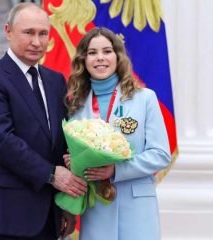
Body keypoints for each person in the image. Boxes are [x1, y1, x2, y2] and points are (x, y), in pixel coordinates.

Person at [0, 3, 87, 240]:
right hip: (5, 217)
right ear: (8, 31)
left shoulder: (55, 81)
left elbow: (60, 143)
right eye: (29, 32)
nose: (37, 41)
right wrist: (52, 175)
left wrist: (66, 205)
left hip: (48, 218)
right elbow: (0, 140)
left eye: (43, 33)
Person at [64, 27, 171, 240]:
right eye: (92, 53)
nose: (100, 58)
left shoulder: (144, 98)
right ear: (83, 60)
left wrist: (115, 170)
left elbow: (160, 154)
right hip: (96, 210)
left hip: (136, 209)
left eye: (107, 51)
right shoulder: (74, 104)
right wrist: (74, 162)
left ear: (118, 56)